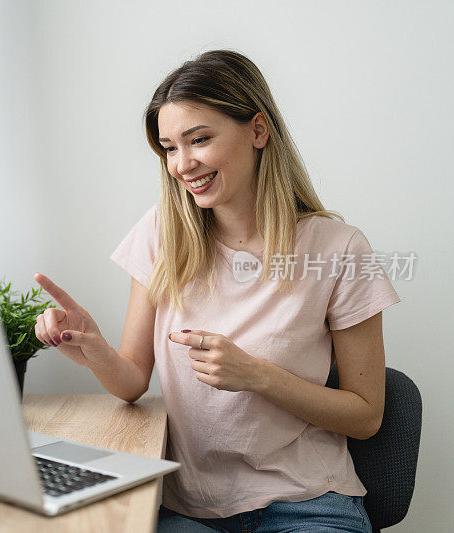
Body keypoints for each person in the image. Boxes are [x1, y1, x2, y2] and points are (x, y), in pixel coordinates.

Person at [33, 49, 400, 532]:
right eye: (168, 147)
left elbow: (366, 415)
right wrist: (94, 348)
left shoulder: (338, 247)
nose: (182, 164)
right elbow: (131, 381)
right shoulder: (162, 233)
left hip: (306, 504)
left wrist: (256, 375)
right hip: (189, 509)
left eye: (199, 139)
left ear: (258, 131)